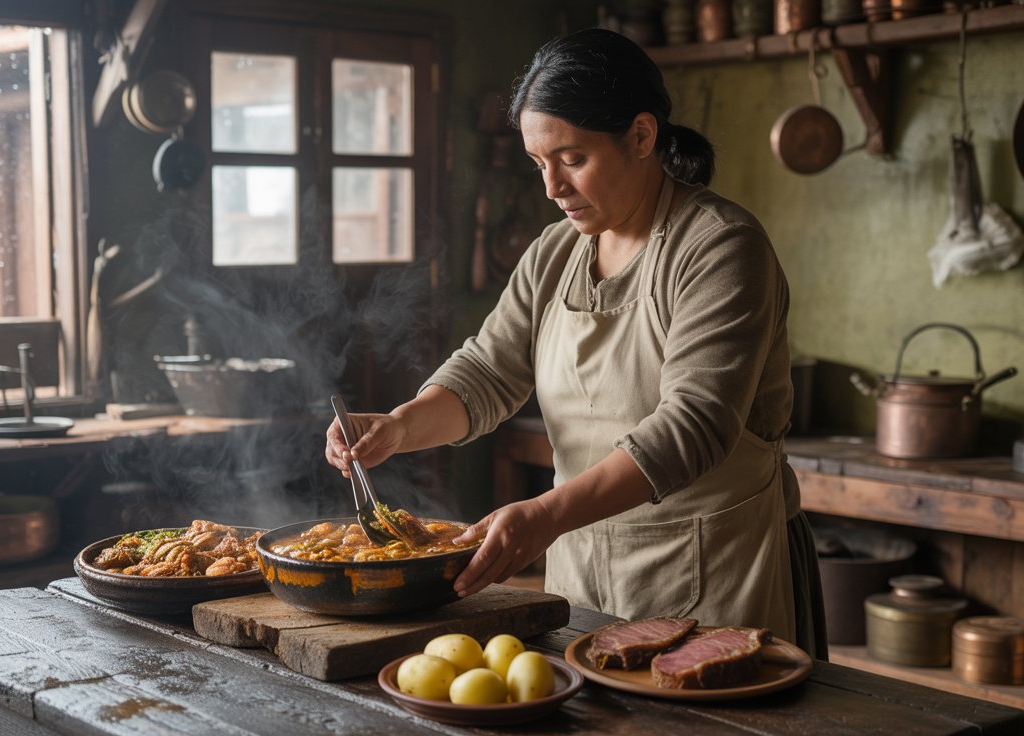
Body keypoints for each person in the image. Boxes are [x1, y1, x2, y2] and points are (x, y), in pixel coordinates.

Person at [325, 27, 827, 659]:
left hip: (715, 580)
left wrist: (543, 515)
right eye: (540, 164)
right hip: (582, 575)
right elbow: (488, 371)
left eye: (572, 159)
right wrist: (399, 427)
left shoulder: (720, 247)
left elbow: (693, 426)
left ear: (642, 136)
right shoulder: (556, 251)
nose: (551, 188)